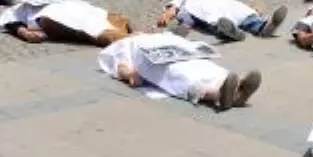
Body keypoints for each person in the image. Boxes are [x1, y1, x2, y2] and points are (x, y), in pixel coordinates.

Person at [99, 31, 261, 111]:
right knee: (181, 75)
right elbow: (122, 68)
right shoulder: (125, 45)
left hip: (181, 55)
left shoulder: (153, 35)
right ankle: (220, 95)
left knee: (203, 66)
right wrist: (130, 74)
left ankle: (236, 89)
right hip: (159, 65)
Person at [159, 0, 287, 42]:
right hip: (225, 6)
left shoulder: (184, 0)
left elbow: (172, 11)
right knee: (242, 16)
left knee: (216, 21)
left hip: (212, 10)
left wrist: (166, 18)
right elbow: (172, 11)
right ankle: (263, 28)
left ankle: (236, 32)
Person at [2, 0, 134, 45]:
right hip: (49, 15)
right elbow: (11, 22)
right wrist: (24, 33)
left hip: (66, 5)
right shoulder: (15, 8)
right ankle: (130, 39)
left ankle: (128, 33)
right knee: (89, 28)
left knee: (104, 17)